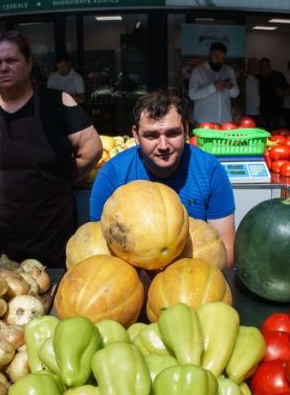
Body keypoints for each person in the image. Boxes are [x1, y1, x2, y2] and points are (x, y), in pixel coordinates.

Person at [0, 32, 102, 267]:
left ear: (29, 63)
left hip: (50, 244)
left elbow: (91, 148)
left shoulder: (58, 103)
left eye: (11, 60)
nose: (3, 68)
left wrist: (62, 180)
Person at [89, 91, 236, 266]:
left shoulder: (211, 171)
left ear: (186, 130)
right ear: (135, 135)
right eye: (151, 136)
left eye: (173, 133)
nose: (164, 145)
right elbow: (98, 249)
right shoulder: (112, 175)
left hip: (190, 283)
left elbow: (225, 252)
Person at [187, 42, 238, 126]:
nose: (219, 61)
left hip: (225, 122)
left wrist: (230, 87)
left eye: (222, 58)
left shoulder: (229, 70)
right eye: (217, 57)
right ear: (209, 54)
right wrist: (213, 87)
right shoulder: (198, 71)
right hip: (204, 122)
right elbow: (192, 94)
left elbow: (235, 94)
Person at [257, 58, 289, 130]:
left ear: (269, 66)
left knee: (281, 133)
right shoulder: (257, 78)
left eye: (264, 67)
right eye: (261, 67)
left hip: (277, 111)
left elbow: (288, 90)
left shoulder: (278, 76)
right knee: (264, 133)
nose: (262, 69)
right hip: (263, 111)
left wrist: (282, 93)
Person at [243, 58, 261, 124]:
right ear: (248, 66)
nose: (255, 68)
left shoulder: (257, 79)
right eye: (253, 65)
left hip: (257, 112)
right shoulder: (244, 78)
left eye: (257, 66)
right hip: (247, 112)